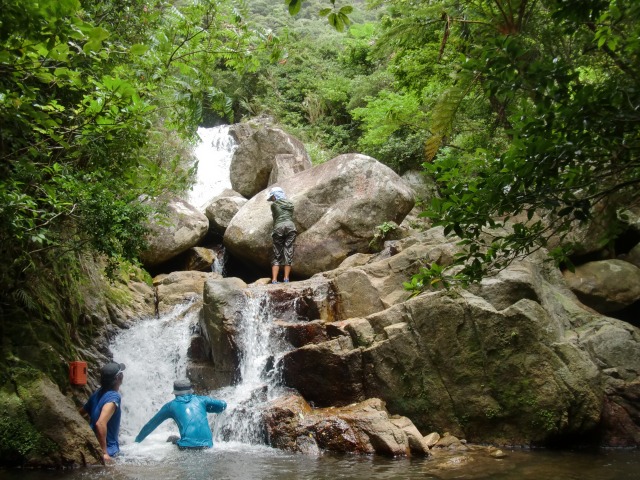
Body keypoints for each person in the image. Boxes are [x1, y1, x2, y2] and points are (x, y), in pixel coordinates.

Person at [134, 379, 227, 449]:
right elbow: (223, 405)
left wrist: (136, 441)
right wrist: (207, 407)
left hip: (187, 446)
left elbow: (151, 424)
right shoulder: (202, 400)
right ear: (191, 391)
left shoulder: (170, 406)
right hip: (208, 446)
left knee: (171, 438)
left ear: (175, 393)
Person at [80, 361, 125, 463]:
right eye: (121, 373)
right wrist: (104, 453)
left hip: (93, 448)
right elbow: (100, 423)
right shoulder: (114, 397)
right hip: (110, 452)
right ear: (118, 378)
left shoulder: (97, 393)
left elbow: (80, 413)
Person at [267, 186, 297, 283]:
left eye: (272, 197)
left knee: (277, 253)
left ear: (275, 196)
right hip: (290, 227)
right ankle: (286, 278)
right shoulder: (291, 204)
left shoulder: (273, 206)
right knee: (289, 250)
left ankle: (274, 280)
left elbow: (276, 216)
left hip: (279, 227)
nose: (272, 199)